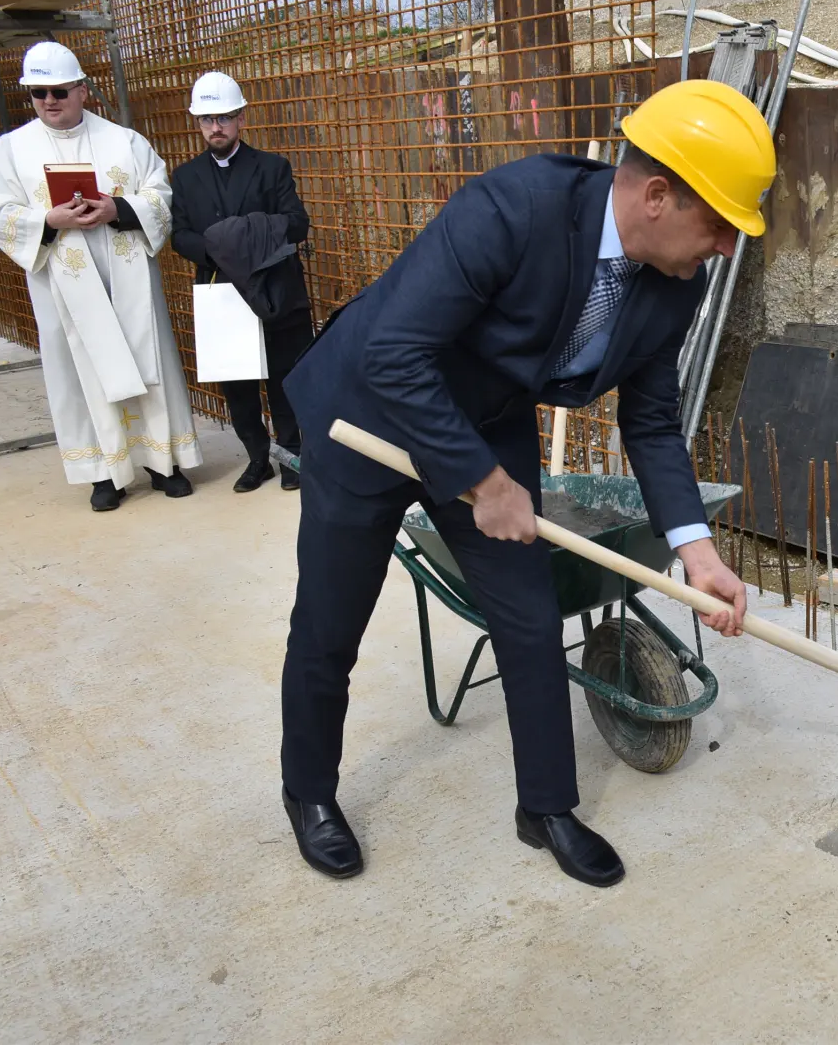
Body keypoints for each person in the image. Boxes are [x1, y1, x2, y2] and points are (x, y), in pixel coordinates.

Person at [278, 80, 773, 886]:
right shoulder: (514, 209)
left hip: (487, 412)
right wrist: (483, 482)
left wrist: (696, 548)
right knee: (331, 625)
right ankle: (309, 793)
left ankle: (545, 807)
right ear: (657, 196)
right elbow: (395, 353)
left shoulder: (679, 281)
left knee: (532, 619)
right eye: (719, 224)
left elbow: (648, 421)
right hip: (369, 412)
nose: (724, 248)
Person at [0, 41, 199, 510]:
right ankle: (104, 473)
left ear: (83, 90)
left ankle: (163, 462)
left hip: (127, 281)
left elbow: (161, 196)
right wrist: (48, 221)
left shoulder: (124, 140)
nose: (48, 101)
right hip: (62, 285)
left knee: (148, 360)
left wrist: (118, 208)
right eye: (37, 93)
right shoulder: (11, 150)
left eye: (59, 90)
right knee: (78, 368)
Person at [170, 71, 313, 492]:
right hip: (221, 291)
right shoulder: (185, 177)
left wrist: (236, 237)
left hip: (275, 288)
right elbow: (179, 235)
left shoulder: (272, 167)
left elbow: (296, 224)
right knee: (237, 385)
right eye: (207, 119)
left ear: (241, 119)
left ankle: (292, 457)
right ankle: (258, 460)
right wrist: (225, 248)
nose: (216, 127)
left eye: (225, 118)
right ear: (197, 123)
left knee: (284, 379)